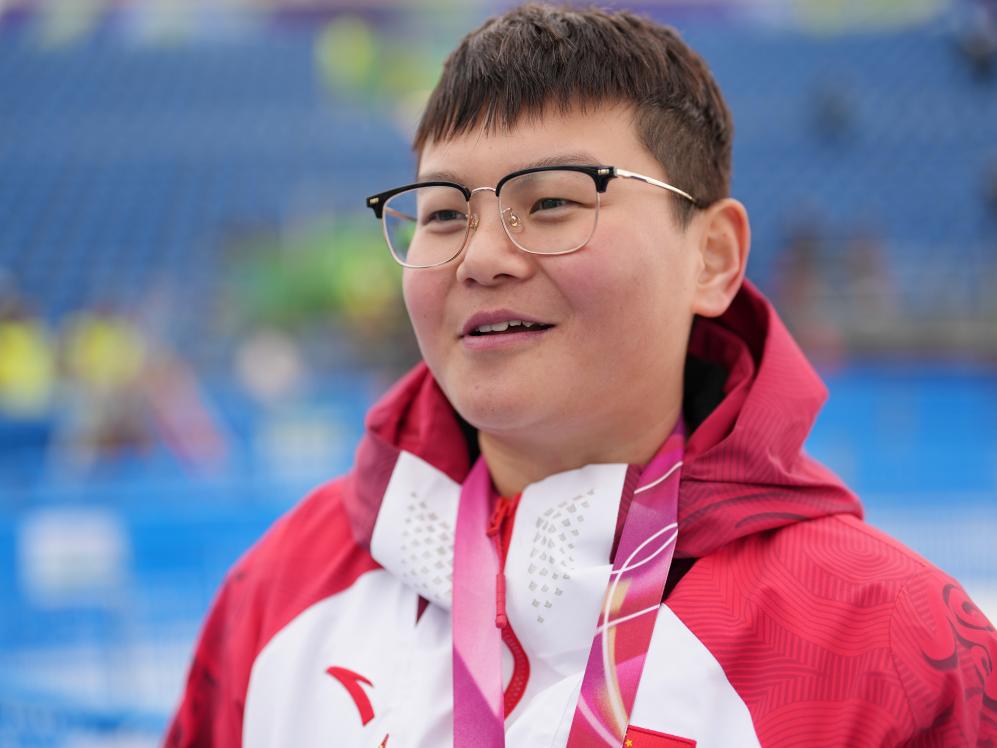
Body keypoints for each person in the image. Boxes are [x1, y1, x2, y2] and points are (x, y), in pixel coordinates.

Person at [167, 5, 997, 746]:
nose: (480, 258)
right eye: (443, 213)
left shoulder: (891, 649)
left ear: (712, 257)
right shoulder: (279, 589)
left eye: (553, 203)